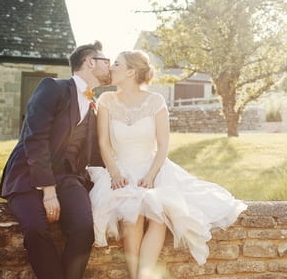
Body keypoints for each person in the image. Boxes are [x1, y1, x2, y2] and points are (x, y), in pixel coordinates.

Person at [87, 50, 247, 279]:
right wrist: (114, 172)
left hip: (155, 168)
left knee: (158, 216)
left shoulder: (155, 101)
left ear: (130, 72)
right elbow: (103, 142)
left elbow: (163, 145)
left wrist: (151, 175)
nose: (111, 67)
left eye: (116, 64)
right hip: (120, 169)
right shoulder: (106, 100)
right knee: (131, 220)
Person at [0, 40, 112, 279]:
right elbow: (35, 138)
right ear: (90, 62)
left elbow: (94, 152)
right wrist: (49, 190)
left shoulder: (94, 104)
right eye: (106, 61)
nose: (110, 67)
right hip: (28, 174)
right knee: (36, 230)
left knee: (83, 229)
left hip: (68, 177)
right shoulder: (53, 88)